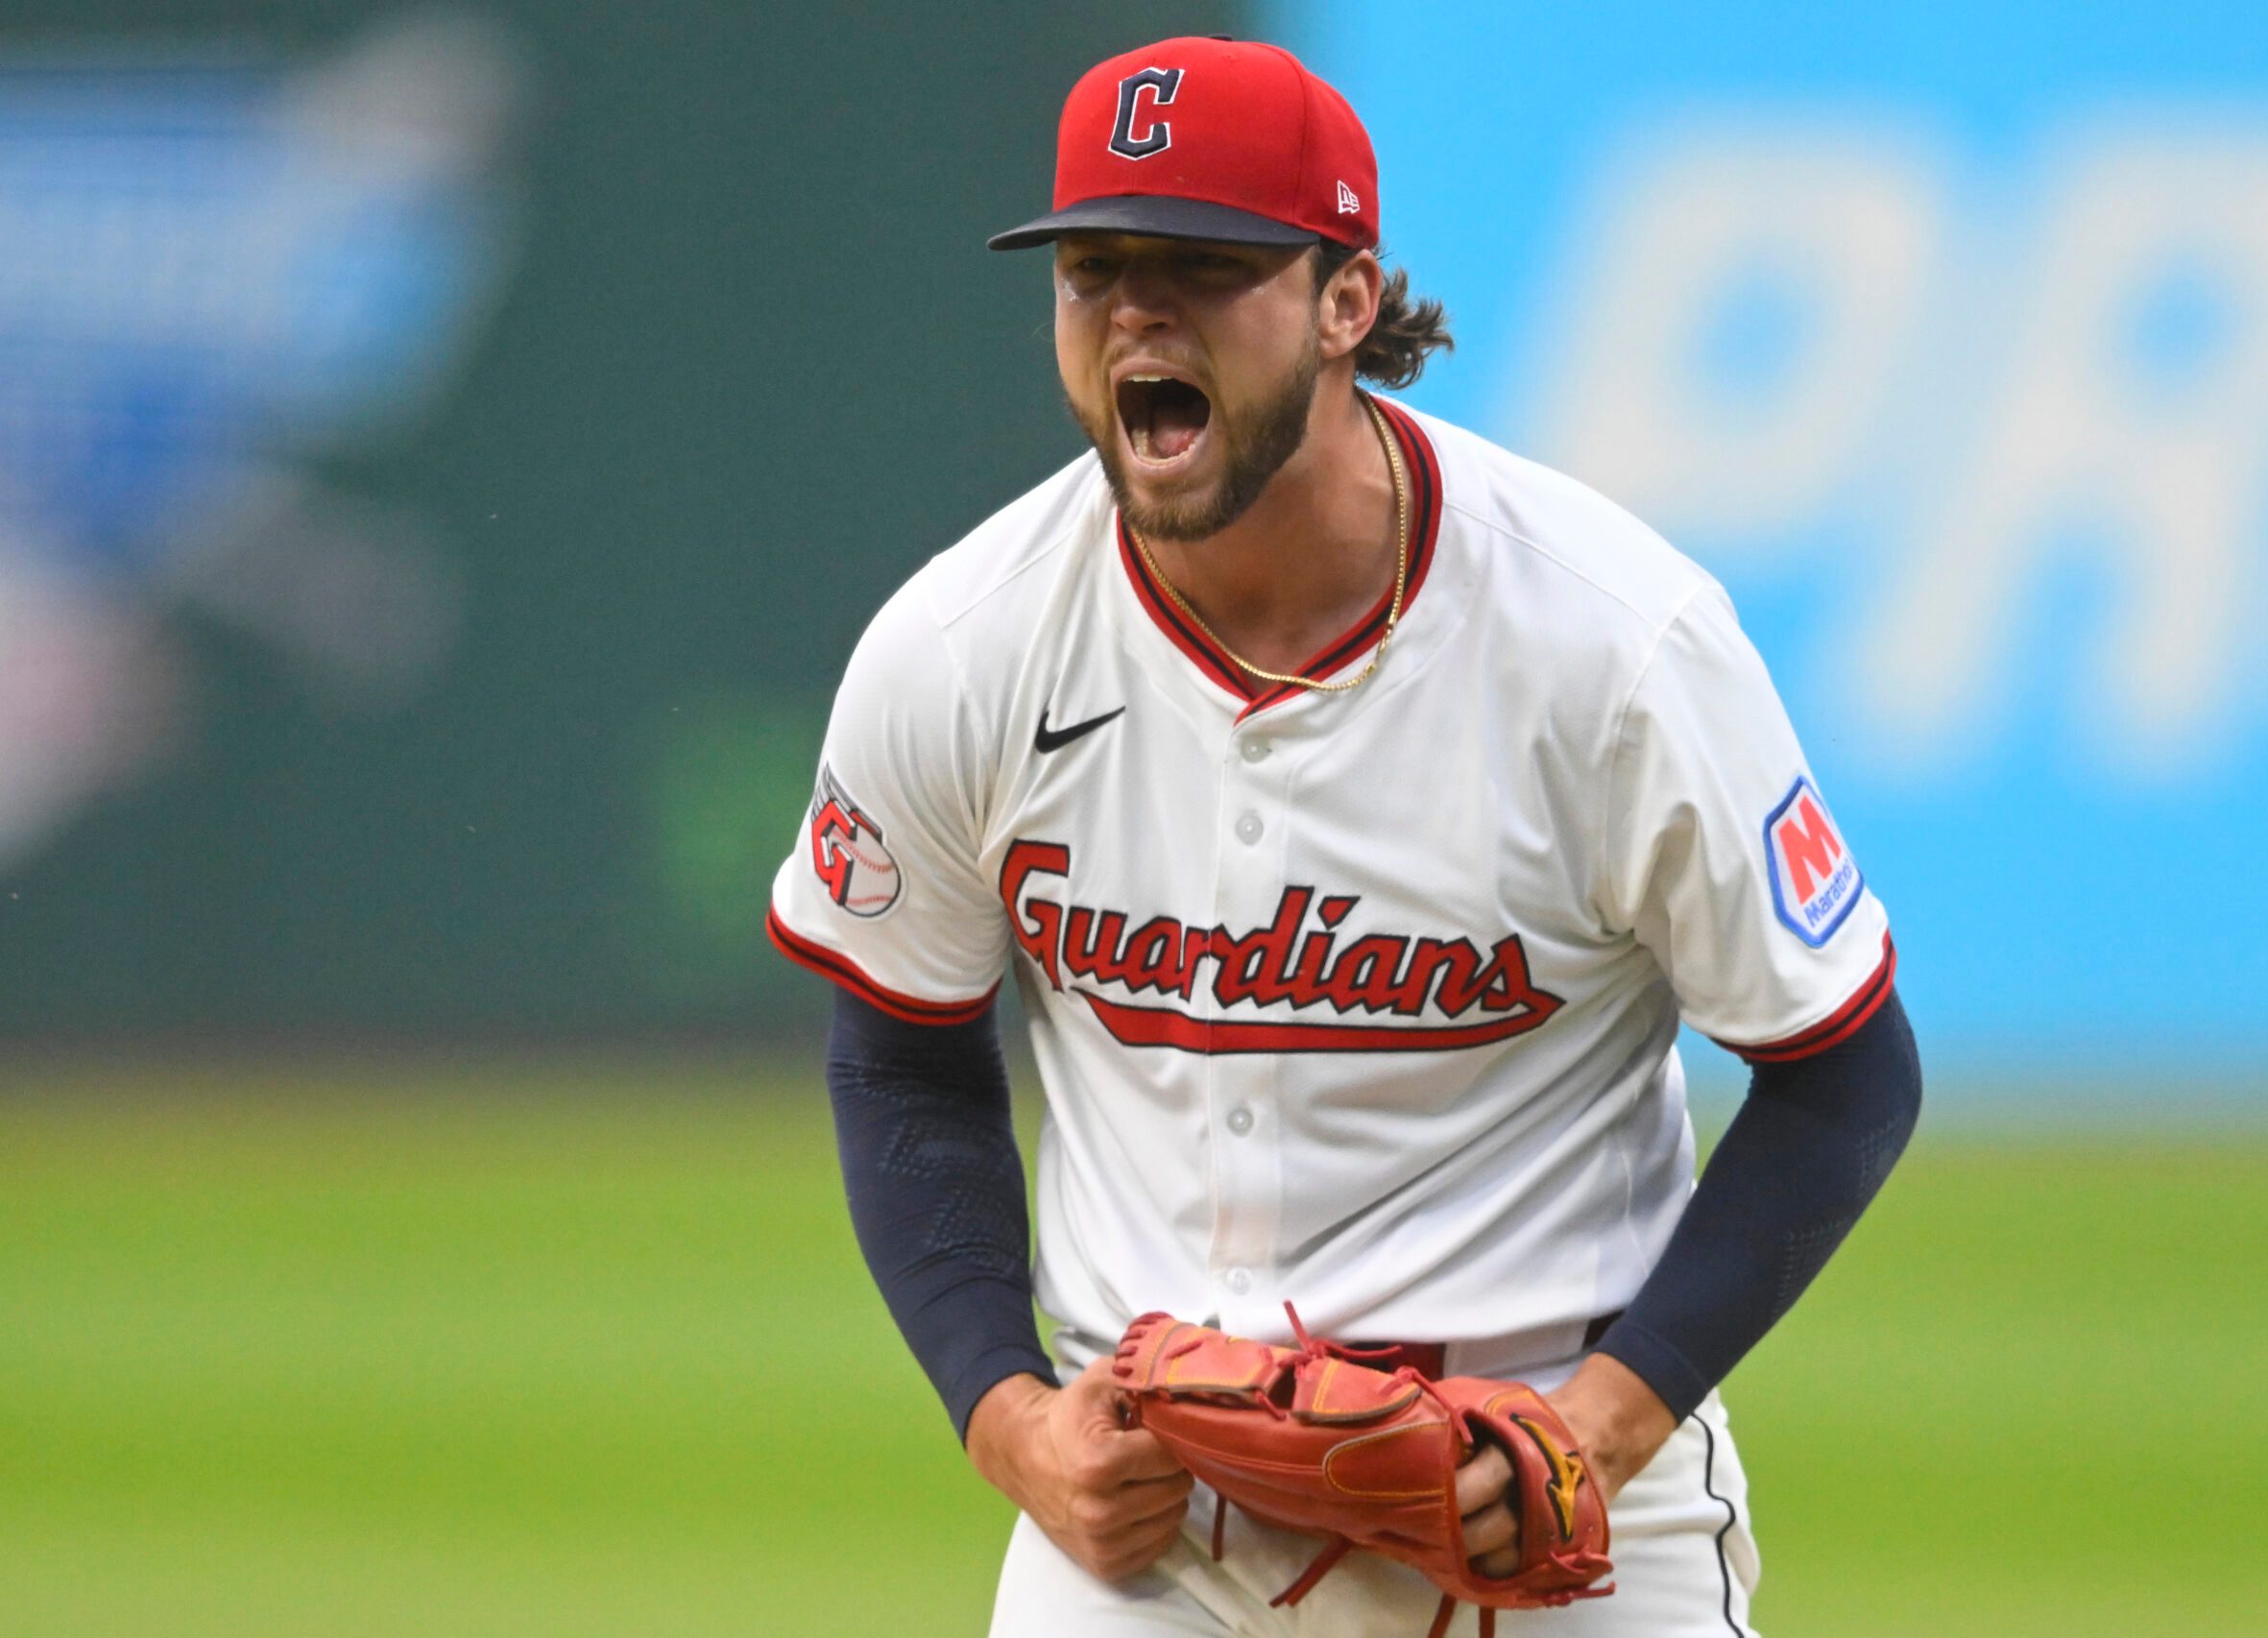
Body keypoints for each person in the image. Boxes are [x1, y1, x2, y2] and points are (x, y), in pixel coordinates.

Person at [768, 35, 1922, 1638]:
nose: (1135, 319)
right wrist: (1011, 1419)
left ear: (1345, 300)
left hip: (1553, 1502)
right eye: (1094, 271)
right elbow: (897, 1054)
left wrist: (1601, 1425)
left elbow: (1845, 1068)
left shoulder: (1612, 646)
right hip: (1151, 1524)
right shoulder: (964, 645)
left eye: (1202, 266)